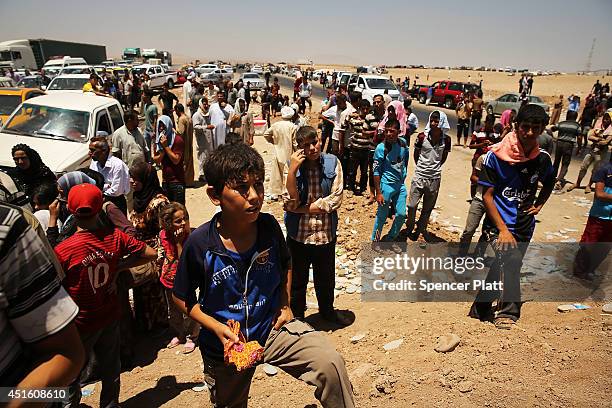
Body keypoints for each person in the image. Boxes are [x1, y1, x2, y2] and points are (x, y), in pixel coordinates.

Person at [172, 143, 354, 408]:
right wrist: (216, 328)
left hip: (271, 329)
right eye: (242, 188)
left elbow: (285, 263)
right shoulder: (201, 243)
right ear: (214, 195)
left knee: (330, 364)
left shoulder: (268, 227)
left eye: (258, 185)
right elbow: (182, 297)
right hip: (226, 347)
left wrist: (284, 303)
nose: (255, 196)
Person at [55, 183, 156, 407]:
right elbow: (150, 253)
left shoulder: (65, 249)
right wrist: (118, 266)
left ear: (71, 210)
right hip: (109, 314)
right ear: (100, 207)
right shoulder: (115, 237)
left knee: (71, 372)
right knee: (111, 367)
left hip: (80, 322)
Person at [469, 104, 555, 329]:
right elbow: (487, 196)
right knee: (511, 262)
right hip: (498, 224)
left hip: (524, 224)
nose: (529, 133)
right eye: (525, 127)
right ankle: (508, 312)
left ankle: (480, 308)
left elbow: (549, 182)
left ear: (542, 129)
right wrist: (503, 230)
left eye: (535, 128)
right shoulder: (495, 156)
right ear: (516, 126)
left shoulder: (542, 159)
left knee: (501, 265)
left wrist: (539, 204)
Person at [0, 202, 85, 389]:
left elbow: (68, 354)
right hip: (78, 308)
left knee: (66, 388)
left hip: (58, 309)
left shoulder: (9, 226)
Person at [283, 126, 350, 327]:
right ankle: (298, 320)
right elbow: (289, 202)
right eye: (306, 145)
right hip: (299, 236)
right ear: (299, 148)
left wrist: (303, 209)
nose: (312, 148)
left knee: (326, 280)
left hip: (324, 235)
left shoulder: (332, 163)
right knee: (297, 282)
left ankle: (327, 314)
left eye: (315, 142)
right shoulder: (291, 166)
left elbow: (334, 200)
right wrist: (293, 171)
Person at [129, 162, 171, 333]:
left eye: (136, 178)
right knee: (140, 289)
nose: (132, 181)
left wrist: (162, 257)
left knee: (153, 291)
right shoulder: (137, 197)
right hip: (139, 250)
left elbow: (165, 230)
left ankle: (158, 326)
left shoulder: (159, 202)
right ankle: (144, 325)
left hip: (154, 252)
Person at [158, 202, 199, 354]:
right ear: (168, 224)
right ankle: (179, 334)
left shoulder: (190, 237)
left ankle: (191, 336)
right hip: (168, 279)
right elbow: (164, 256)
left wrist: (179, 243)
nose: (183, 223)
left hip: (184, 281)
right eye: (178, 221)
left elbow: (184, 263)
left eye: (185, 219)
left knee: (188, 311)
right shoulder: (163, 235)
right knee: (174, 311)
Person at [405, 111, 452, 241]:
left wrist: (434, 168)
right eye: (432, 120)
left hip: (434, 178)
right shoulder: (421, 137)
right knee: (412, 205)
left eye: (436, 121)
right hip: (419, 176)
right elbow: (416, 154)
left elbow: (443, 158)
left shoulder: (446, 140)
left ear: (442, 122)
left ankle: (420, 229)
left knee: (427, 208)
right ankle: (409, 226)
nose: (433, 123)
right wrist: (422, 167)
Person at [371, 118, 409, 241]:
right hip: (386, 186)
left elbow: (405, 161)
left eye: (392, 131)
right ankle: (375, 240)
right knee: (381, 217)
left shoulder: (403, 143)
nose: (388, 134)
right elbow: (376, 171)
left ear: (398, 131)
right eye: (386, 131)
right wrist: (379, 192)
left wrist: (404, 175)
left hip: (400, 185)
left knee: (401, 214)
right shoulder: (381, 148)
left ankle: (390, 238)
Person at [573, 160, 611, 280]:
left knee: (605, 247)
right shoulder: (604, 169)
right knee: (589, 244)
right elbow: (599, 194)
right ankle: (579, 271)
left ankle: (590, 269)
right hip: (599, 216)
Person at [567, 112, 612, 193]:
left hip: (601, 153)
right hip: (592, 150)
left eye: (607, 119)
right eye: (604, 118)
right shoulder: (599, 125)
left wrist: (596, 137)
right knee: (583, 166)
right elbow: (589, 136)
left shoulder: (610, 129)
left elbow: (605, 142)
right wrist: (599, 139)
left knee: (595, 170)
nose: (605, 120)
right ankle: (577, 183)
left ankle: (589, 185)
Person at [88, 136, 130, 214]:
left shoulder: (118, 165)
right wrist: (107, 186)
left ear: (104, 151)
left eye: (92, 150)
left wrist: (100, 190)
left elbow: (116, 191)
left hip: (116, 204)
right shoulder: (94, 163)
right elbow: (92, 184)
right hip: (99, 202)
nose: (89, 153)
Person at [263, 106, 297, 201]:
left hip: (278, 152)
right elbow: (295, 143)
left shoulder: (276, 125)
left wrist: (273, 142)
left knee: (276, 174)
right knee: (287, 174)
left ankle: (275, 193)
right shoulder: (293, 127)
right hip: (288, 153)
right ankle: (286, 192)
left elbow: (266, 134)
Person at [458, 154, 488, 256]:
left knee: (487, 233)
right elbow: (473, 177)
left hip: (495, 202)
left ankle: (478, 256)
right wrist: (487, 184)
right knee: (469, 230)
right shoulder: (484, 158)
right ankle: (461, 256)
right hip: (479, 199)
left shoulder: (510, 162)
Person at [153, 115, 185, 204]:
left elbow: (176, 160)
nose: (161, 128)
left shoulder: (178, 140)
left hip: (177, 182)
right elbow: (156, 160)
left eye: (163, 125)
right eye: (159, 126)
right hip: (165, 182)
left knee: (179, 210)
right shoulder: (158, 141)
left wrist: (166, 147)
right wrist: (162, 152)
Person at [347, 99, 376, 195]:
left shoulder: (370, 120)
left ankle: (363, 189)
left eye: (367, 109)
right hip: (355, 148)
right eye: (363, 109)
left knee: (364, 172)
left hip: (366, 149)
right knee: (352, 170)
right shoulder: (353, 119)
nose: (365, 111)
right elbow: (345, 125)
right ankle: (351, 188)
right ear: (359, 109)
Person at [549, 110, 581, 189]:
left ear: (567, 116)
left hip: (559, 143)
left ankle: (552, 178)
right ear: (576, 117)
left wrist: (552, 138)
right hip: (569, 145)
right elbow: (580, 137)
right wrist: (579, 147)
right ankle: (559, 181)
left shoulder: (561, 123)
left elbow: (551, 129)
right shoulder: (577, 126)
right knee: (565, 163)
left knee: (556, 162)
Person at [192, 98, 215, 183]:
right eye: (204, 104)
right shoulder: (196, 115)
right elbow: (195, 126)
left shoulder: (208, 114)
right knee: (202, 157)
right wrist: (206, 127)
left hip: (209, 140)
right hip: (201, 140)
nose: (206, 106)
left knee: (209, 157)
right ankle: (201, 175)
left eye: (206, 104)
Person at [176, 103, 195, 188]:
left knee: (183, 163)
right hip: (189, 143)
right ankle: (189, 181)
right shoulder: (189, 118)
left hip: (183, 145)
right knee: (189, 162)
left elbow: (180, 132)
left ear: (177, 110)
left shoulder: (181, 119)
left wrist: (173, 130)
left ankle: (184, 181)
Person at [143, 91, 158, 159]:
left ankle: (157, 161)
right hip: (146, 130)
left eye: (144, 95)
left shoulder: (153, 107)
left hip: (152, 131)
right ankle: (149, 160)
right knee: (147, 147)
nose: (142, 96)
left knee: (155, 147)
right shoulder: (145, 106)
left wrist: (154, 131)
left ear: (148, 97)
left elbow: (155, 119)